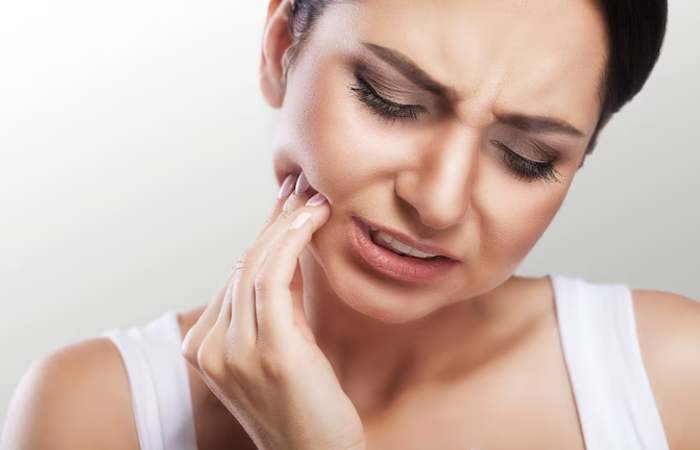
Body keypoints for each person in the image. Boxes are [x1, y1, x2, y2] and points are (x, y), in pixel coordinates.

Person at [2, 0, 698, 449]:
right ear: (281, 51)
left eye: (527, 156)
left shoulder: (674, 379)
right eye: (390, 99)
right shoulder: (94, 414)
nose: (440, 202)